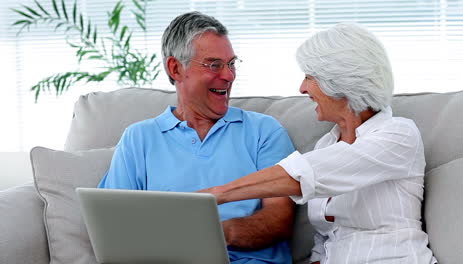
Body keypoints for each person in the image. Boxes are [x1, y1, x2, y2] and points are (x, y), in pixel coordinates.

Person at [200, 23, 437, 264]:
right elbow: (326, 242)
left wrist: (213, 196)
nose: (302, 88)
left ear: (340, 82)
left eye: (309, 77)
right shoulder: (326, 144)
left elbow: (302, 174)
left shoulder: (398, 135)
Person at [98, 11, 296, 264]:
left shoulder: (264, 131)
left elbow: (279, 218)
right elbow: (116, 225)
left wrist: (214, 233)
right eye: (214, 65)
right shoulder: (139, 138)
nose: (229, 75)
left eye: (231, 63)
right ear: (176, 68)